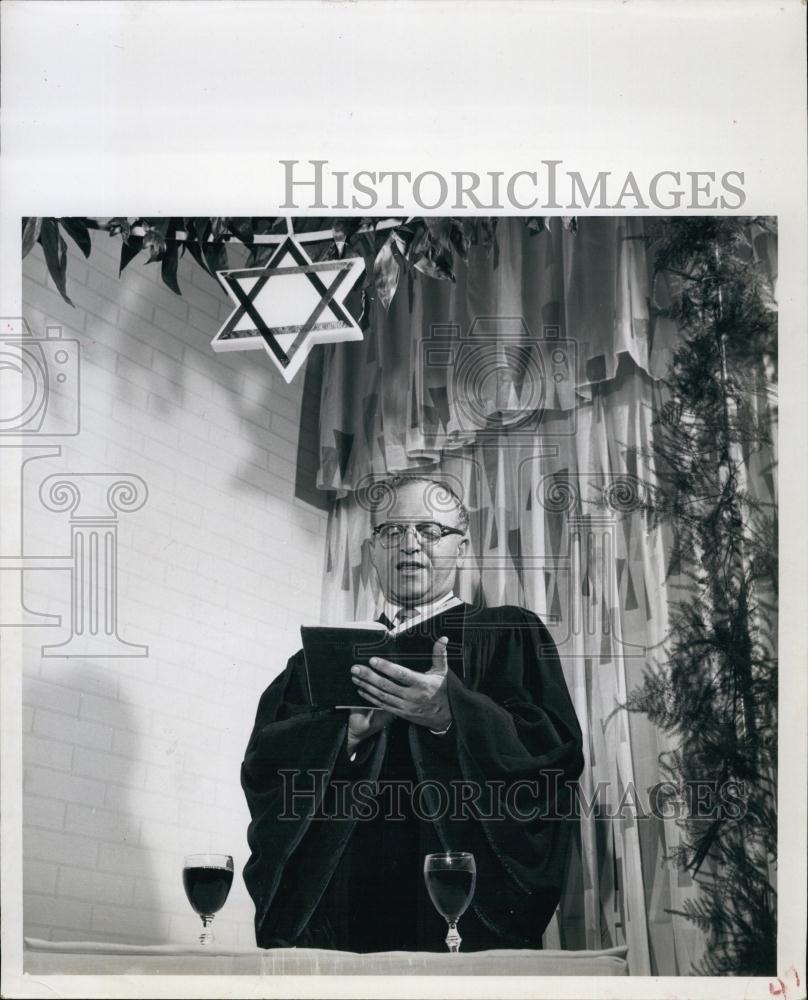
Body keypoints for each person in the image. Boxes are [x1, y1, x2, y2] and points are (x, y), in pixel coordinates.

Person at [241, 475, 584, 952]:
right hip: (340, 903)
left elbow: (553, 755)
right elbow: (263, 765)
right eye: (392, 531)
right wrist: (343, 736)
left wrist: (452, 712)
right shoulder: (319, 659)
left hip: (454, 892)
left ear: (461, 548)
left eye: (429, 530)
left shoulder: (507, 634)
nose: (410, 545)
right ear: (372, 549)